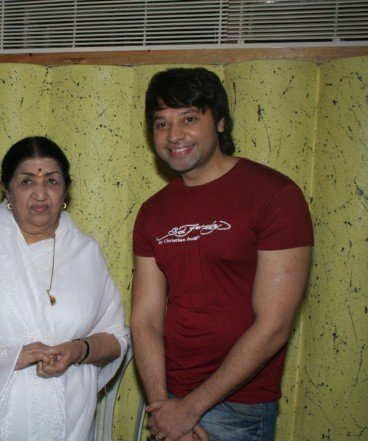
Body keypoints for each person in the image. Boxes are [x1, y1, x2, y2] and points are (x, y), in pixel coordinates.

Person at [131, 68, 313, 441]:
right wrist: (163, 408)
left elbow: (274, 325)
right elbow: (145, 319)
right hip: (168, 398)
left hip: (237, 406)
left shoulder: (275, 196)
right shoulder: (152, 211)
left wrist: (190, 409)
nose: (174, 135)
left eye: (189, 119)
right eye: (162, 123)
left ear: (220, 122)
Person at [0, 136, 129, 441]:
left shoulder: (86, 254)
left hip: (72, 421)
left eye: (51, 181)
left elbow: (116, 338)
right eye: (26, 182)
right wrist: (9, 356)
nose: (40, 193)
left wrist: (77, 350)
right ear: (7, 190)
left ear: (66, 190)